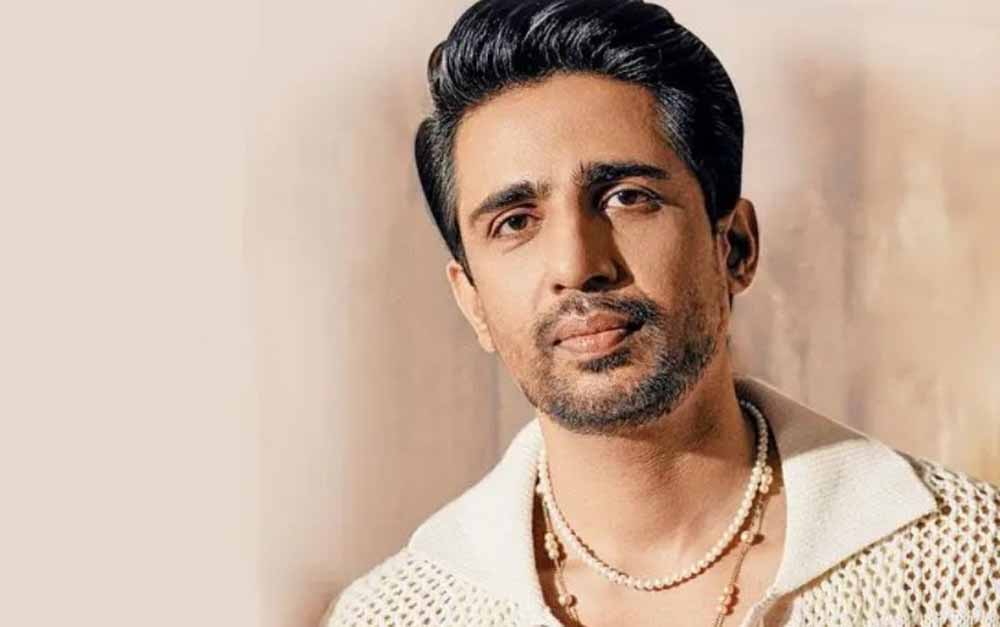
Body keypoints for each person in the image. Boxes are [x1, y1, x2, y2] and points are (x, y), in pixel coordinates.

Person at [325, 1, 1000, 625]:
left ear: (734, 247)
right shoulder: (394, 615)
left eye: (626, 197)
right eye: (516, 221)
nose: (577, 264)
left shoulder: (964, 563)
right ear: (471, 299)